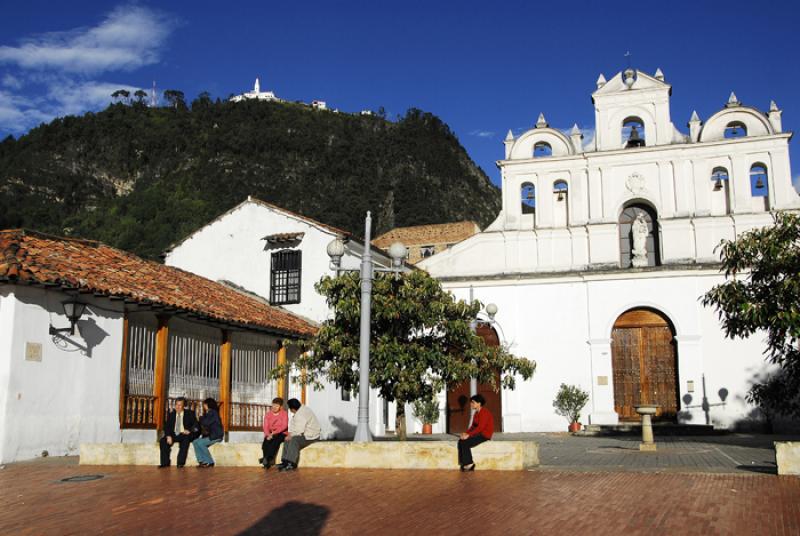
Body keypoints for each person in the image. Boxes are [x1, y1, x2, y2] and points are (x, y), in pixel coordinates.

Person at [277, 398, 321, 472]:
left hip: (311, 436)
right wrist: (290, 434)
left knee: (294, 440)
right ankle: (285, 461)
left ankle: (291, 463)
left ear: (292, 409)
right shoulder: (302, 409)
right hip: (307, 433)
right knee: (288, 439)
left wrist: (291, 435)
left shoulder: (300, 414)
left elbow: (299, 430)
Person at [457, 394, 494, 471]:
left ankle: (470, 463)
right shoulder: (476, 413)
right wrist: (466, 433)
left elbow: (481, 427)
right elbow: (473, 426)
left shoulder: (484, 412)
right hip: (478, 433)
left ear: (479, 403)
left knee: (465, 442)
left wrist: (469, 435)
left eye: (473, 402)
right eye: (471, 402)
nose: (471, 404)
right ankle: (464, 463)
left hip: (484, 435)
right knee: (461, 441)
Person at [159, 397, 198, 468]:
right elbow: (166, 427)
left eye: (180, 405)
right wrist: (168, 436)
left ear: (184, 406)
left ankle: (180, 463)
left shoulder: (189, 414)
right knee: (163, 441)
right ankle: (165, 463)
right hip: (173, 434)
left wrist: (190, 431)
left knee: (185, 440)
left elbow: (196, 426)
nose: (178, 407)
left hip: (184, 434)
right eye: (176, 405)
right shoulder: (171, 414)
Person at [193, 398, 224, 468]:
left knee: (201, 443)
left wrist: (200, 418)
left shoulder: (213, 412)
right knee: (195, 441)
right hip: (211, 435)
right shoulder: (209, 413)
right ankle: (202, 461)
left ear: (208, 405)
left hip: (216, 436)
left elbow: (206, 422)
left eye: (205, 404)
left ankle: (210, 462)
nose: (204, 406)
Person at [259, 397, 288, 469]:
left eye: (277, 406)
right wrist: (268, 435)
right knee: (266, 441)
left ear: (280, 407)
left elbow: (284, 426)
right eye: (273, 405)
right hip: (271, 433)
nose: (274, 407)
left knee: (275, 440)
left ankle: (266, 459)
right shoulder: (268, 414)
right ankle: (266, 462)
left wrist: (274, 433)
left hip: (281, 433)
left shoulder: (284, 414)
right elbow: (265, 426)